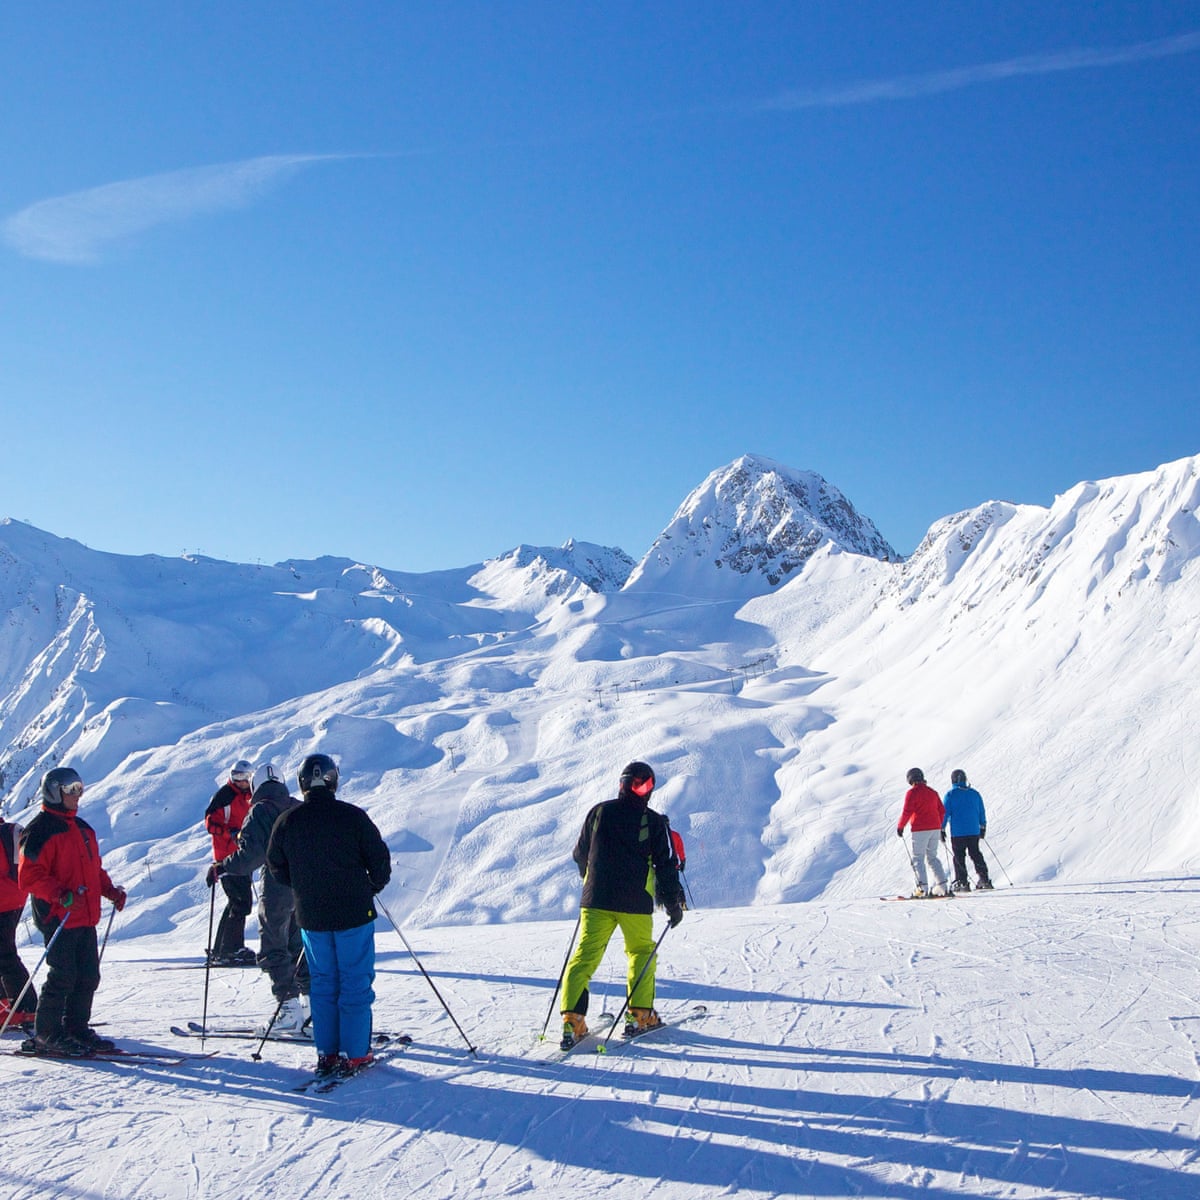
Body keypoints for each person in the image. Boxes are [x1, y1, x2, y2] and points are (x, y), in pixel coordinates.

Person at [266, 754, 390, 1077]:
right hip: (353, 913)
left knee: (322, 982)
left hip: (312, 916)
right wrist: (368, 887)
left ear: (302, 782)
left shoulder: (288, 821)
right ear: (334, 780)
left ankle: (328, 1051)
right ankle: (355, 1052)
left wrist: (303, 888)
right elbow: (380, 862)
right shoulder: (353, 817)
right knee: (354, 981)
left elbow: (276, 866)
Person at [560, 761, 685, 1048]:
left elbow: (580, 853)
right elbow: (666, 867)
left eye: (647, 785)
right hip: (635, 902)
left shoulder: (599, 812)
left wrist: (591, 882)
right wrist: (673, 903)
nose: (643, 790)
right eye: (643, 785)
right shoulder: (653, 822)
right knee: (641, 952)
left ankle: (572, 1021)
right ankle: (640, 1015)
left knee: (585, 956)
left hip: (596, 900)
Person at [17, 768, 127, 1056]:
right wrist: (59, 895)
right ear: (54, 791)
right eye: (70, 789)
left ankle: (75, 1028)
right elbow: (28, 876)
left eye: (79, 788)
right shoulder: (40, 830)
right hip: (59, 916)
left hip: (85, 915)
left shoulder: (82, 828)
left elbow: (94, 870)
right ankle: (47, 1034)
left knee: (88, 976)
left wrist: (110, 891)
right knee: (63, 975)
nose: (77, 795)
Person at [207, 763, 310, 1034]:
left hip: (278, 887)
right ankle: (312, 1008)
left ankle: (288, 1010)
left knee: (272, 945)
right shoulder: (297, 806)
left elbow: (250, 856)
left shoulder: (260, 810)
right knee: (300, 946)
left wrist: (222, 866)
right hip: (305, 887)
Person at [204, 759, 256, 966]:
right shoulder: (226, 794)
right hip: (227, 856)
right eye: (236, 776)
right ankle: (230, 948)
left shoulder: (249, 796)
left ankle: (224, 948)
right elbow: (210, 822)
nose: (240, 781)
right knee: (240, 902)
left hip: (242, 856)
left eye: (244, 777)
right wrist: (230, 833)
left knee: (238, 902)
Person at [0, 813, 38, 1029]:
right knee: (4, 953)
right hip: (16, 898)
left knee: (5, 956)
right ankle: (8, 1005)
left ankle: (26, 1007)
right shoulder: (13, 831)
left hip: (2, 900)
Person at [896, 767, 950, 898]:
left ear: (910, 779)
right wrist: (938, 825)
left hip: (920, 829)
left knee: (918, 858)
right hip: (935, 829)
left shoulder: (912, 793)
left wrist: (900, 826)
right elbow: (942, 811)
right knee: (932, 857)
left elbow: (907, 811)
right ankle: (942, 886)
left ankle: (922, 889)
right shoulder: (932, 792)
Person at [942, 769, 993, 892]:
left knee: (959, 856)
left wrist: (941, 828)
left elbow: (944, 814)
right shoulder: (975, 794)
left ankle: (962, 882)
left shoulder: (950, 795)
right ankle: (984, 879)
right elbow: (981, 811)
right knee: (976, 854)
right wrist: (983, 826)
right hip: (974, 831)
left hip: (958, 832)